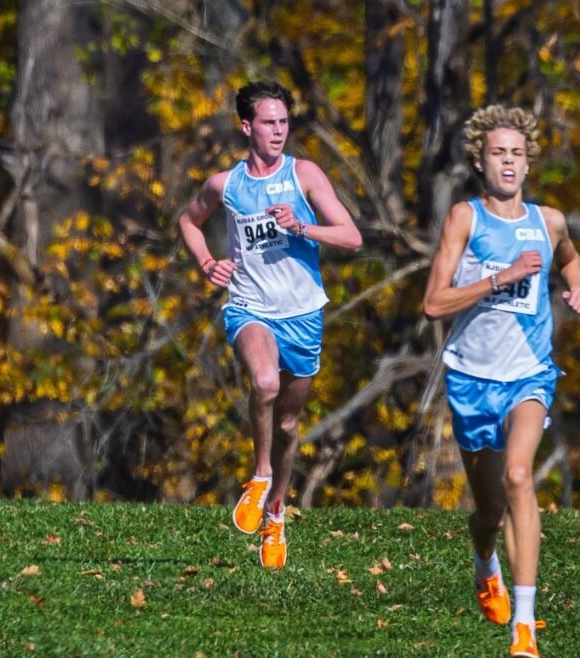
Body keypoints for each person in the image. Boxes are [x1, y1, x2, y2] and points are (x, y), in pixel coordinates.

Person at [421, 105, 580, 658]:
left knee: (521, 476)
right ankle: (484, 565)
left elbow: (568, 257)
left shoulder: (549, 220)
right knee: (488, 511)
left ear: (529, 162)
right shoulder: (465, 219)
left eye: (517, 153)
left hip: (529, 373)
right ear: (480, 160)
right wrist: (502, 277)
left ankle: (524, 626)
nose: (509, 162)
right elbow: (432, 303)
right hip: (472, 377)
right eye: (499, 153)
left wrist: (576, 288)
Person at [178, 81, 362, 568]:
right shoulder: (226, 185)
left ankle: (276, 511)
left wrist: (300, 226)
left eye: (284, 122)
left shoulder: (304, 174)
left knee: (287, 422)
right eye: (268, 122)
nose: (279, 131)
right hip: (249, 306)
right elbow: (188, 221)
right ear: (246, 126)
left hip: (303, 314)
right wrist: (206, 263)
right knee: (263, 383)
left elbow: (351, 236)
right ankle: (259, 477)